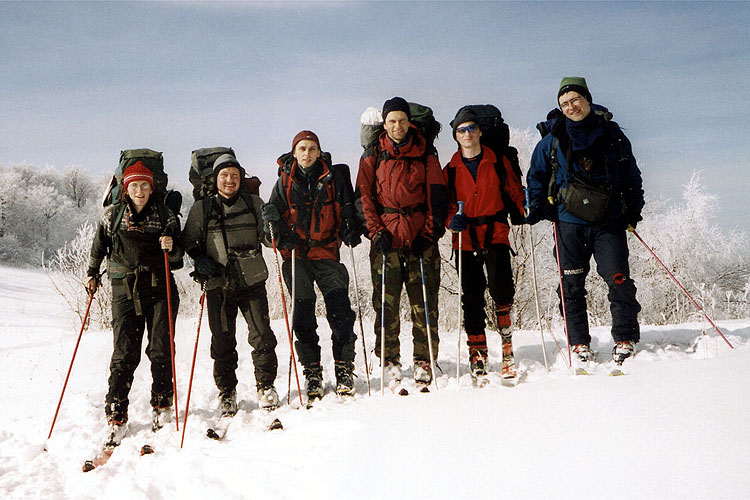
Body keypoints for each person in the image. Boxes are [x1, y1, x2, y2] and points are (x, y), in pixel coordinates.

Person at [526, 77, 644, 365]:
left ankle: (625, 338)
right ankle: (578, 343)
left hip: (609, 221)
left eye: (575, 100)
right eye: (564, 103)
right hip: (568, 222)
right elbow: (536, 177)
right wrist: (540, 207)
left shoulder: (613, 136)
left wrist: (633, 210)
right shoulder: (551, 141)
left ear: (587, 100)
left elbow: (631, 175)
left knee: (618, 279)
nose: (571, 106)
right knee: (571, 285)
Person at [86, 161, 183, 442]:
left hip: (160, 288)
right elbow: (98, 246)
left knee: (161, 348)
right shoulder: (111, 216)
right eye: (134, 186)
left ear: (152, 188)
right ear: (125, 189)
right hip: (124, 290)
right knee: (125, 351)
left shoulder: (166, 216)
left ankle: (162, 402)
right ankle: (117, 410)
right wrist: (92, 274)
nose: (139, 191)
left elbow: (177, 260)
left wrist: (172, 247)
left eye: (144, 185)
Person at [355, 97, 447, 386]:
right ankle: (389, 359)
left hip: (421, 237)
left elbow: (437, 196)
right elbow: (364, 197)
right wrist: (376, 231)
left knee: (424, 302)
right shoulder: (372, 155)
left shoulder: (426, 154)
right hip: (387, 239)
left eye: (402, 120)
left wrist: (430, 233)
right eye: (392, 121)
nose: (398, 126)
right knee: (386, 303)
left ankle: (424, 358)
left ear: (409, 122)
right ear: (384, 123)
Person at [263, 130, 361, 400]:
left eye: (312, 148)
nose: (307, 153)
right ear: (294, 152)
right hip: (296, 258)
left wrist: (351, 229)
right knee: (303, 317)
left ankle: (343, 366)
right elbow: (269, 233)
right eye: (302, 149)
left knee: (340, 312)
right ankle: (312, 370)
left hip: (327, 253)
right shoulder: (283, 182)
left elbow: (346, 212)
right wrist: (276, 227)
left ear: (319, 152)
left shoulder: (334, 178)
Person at [181, 153, 280, 415]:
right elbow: (188, 241)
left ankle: (266, 386)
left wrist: (273, 224)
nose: (229, 180)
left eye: (234, 176)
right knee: (223, 341)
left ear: (240, 178)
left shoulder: (254, 203)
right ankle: (227, 391)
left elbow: (270, 242)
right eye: (224, 176)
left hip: (253, 281)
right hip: (218, 284)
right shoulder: (203, 209)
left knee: (262, 336)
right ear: (215, 180)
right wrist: (200, 259)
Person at [444, 107, 525, 381]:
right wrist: (449, 221)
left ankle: (505, 335)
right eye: (461, 130)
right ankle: (476, 350)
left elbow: (514, 190)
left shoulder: (497, 160)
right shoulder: (451, 169)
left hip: (496, 232)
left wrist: (524, 210)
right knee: (472, 295)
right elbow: (443, 204)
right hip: (465, 238)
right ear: (455, 136)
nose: (467, 134)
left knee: (502, 288)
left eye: (471, 128)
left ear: (479, 131)